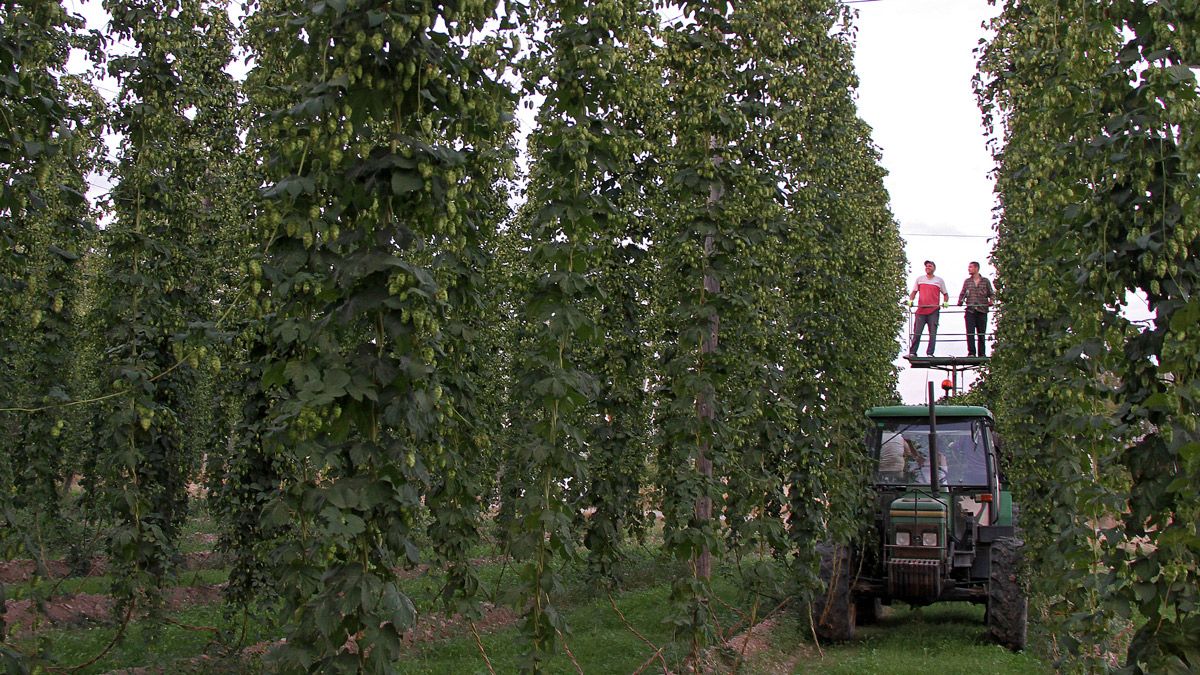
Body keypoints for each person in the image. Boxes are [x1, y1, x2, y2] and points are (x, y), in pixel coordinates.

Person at [908, 260, 948, 357]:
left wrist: (945, 302)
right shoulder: (920, 279)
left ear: (934, 268)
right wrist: (911, 300)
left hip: (933, 311)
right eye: (926, 266)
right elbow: (914, 291)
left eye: (930, 266)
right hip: (921, 310)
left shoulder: (939, 280)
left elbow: (945, 294)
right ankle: (913, 352)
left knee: (932, 334)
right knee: (917, 332)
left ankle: (930, 353)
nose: (927, 267)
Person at [957, 261, 995, 357]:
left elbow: (991, 293)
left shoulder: (985, 281)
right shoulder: (967, 281)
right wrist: (960, 301)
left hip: (982, 310)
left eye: (970, 267)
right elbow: (962, 293)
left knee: (981, 333)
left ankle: (982, 353)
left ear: (976, 268)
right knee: (970, 333)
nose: (968, 269)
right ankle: (971, 353)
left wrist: (992, 301)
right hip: (970, 310)